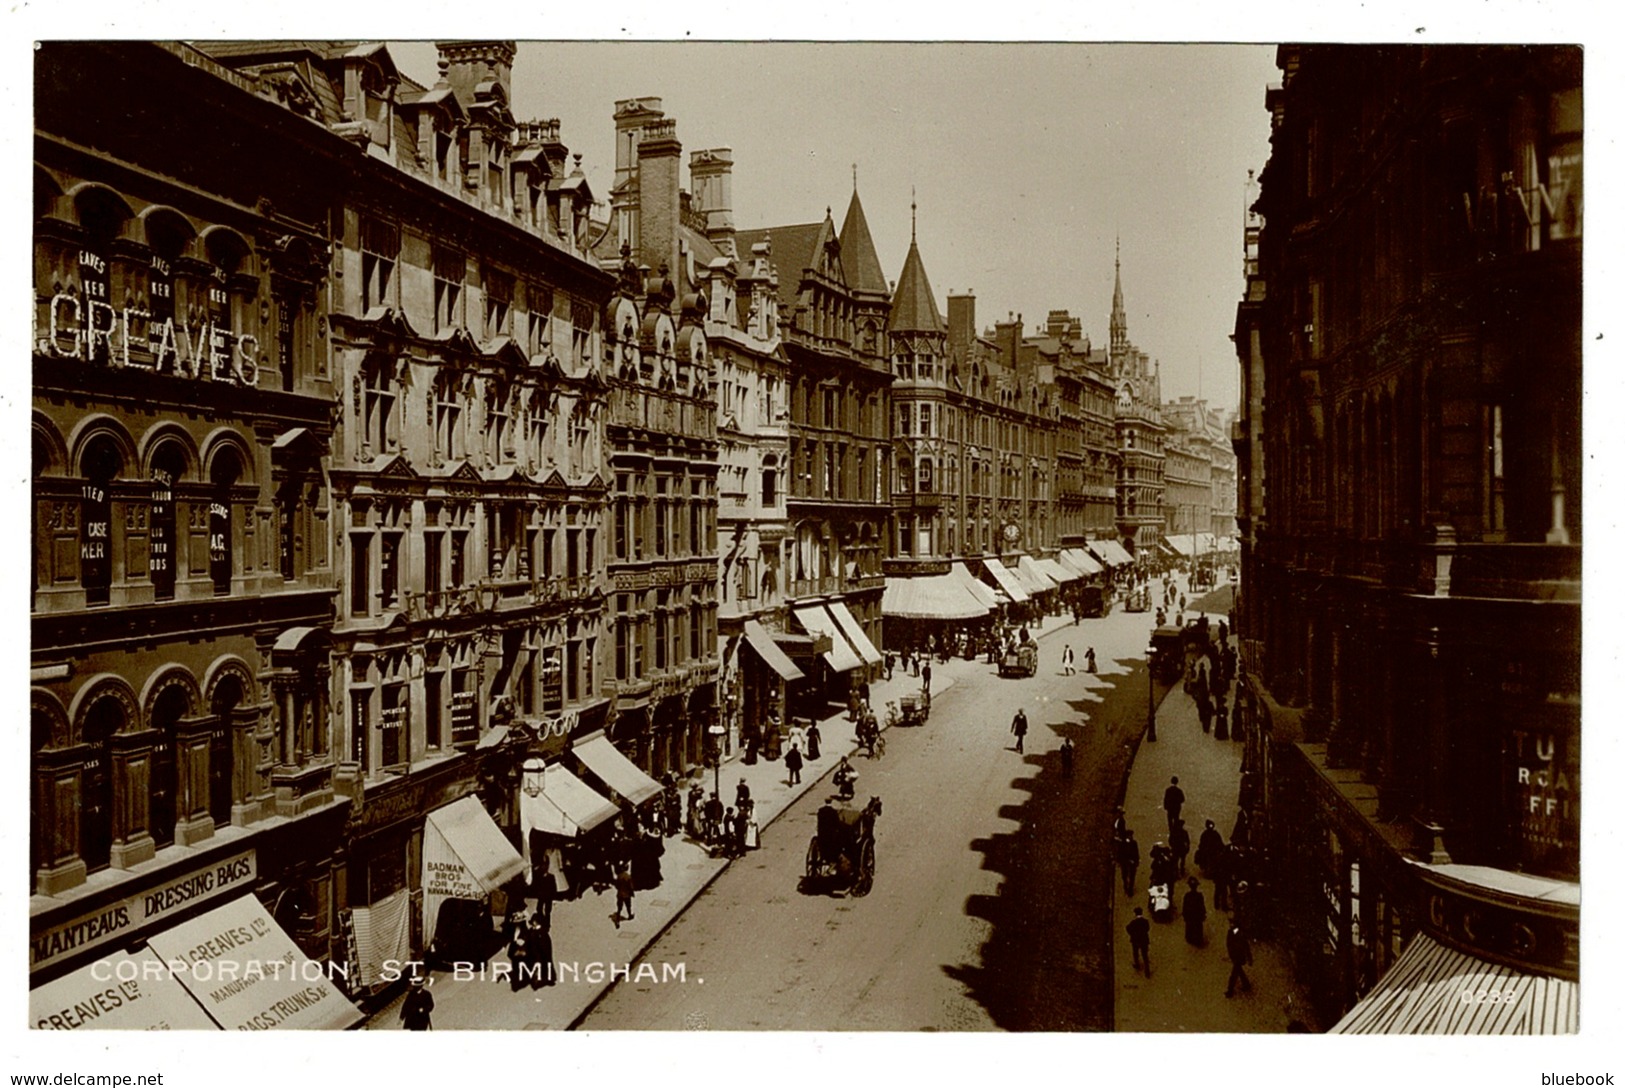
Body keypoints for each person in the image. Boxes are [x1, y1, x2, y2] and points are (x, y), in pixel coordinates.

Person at [526, 911, 555, 989]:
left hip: (540, 953)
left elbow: (543, 946)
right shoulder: (536, 932)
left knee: (540, 966)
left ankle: (538, 981)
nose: (532, 925)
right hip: (537, 953)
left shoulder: (541, 934)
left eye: (534, 923)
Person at [1224, 924, 1254, 997]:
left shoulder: (1236, 933)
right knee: (1239, 971)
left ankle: (1230, 990)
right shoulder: (1236, 932)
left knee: (1234, 974)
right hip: (1237, 956)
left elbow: (1244, 946)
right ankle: (1246, 984)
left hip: (1238, 957)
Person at [1126, 907, 1152, 976]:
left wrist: (1132, 934)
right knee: (1145, 955)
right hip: (1144, 940)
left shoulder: (1133, 922)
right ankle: (1147, 971)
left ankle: (1137, 964)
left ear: (1135, 913)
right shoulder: (1145, 921)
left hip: (1135, 940)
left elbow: (1128, 928)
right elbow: (1147, 929)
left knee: (1135, 953)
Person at [1182, 878, 1208, 946]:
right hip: (1197, 916)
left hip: (1190, 915)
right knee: (1198, 927)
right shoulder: (1199, 895)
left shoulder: (1187, 895)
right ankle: (1198, 939)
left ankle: (1190, 938)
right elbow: (1202, 906)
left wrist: (1184, 915)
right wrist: (1203, 914)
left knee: (1190, 926)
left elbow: (1185, 906)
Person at [1117, 829, 1141, 895]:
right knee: (1124, 875)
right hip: (1125, 862)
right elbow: (1120, 853)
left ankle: (1130, 889)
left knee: (1132, 876)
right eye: (1129, 836)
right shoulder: (1122, 844)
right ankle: (1125, 885)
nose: (1130, 837)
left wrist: (1136, 861)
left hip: (1132, 863)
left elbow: (1136, 852)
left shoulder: (1134, 843)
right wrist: (1120, 861)